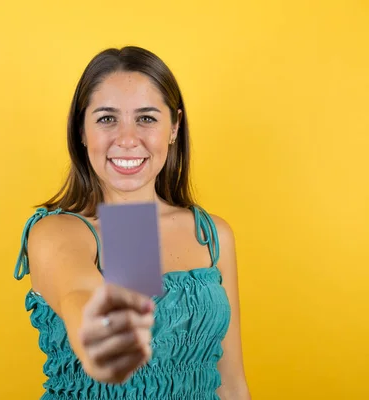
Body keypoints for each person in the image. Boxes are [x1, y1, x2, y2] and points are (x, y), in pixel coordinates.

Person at [14, 46, 251, 399]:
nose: (127, 139)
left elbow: (231, 384)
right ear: (82, 130)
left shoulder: (212, 236)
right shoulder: (58, 232)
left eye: (146, 118)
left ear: (174, 127)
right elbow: (79, 292)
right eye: (107, 119)